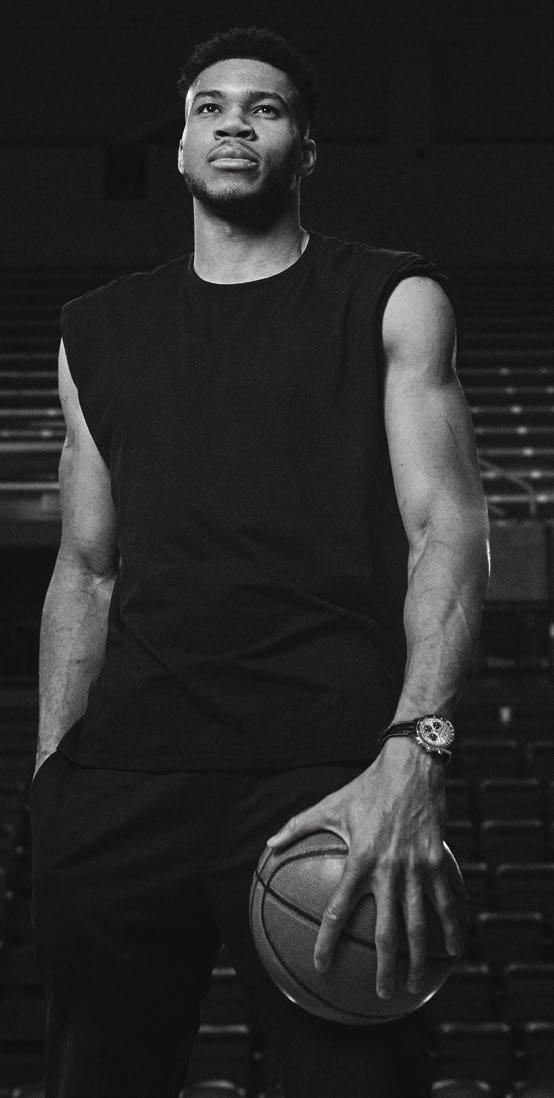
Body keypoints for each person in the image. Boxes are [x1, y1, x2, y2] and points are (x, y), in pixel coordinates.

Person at [28, 24, 490, 1098]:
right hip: (124, 779)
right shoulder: (95, 331)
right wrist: (54, 779)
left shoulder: (390, 298)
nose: (234, 124)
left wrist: (414, 753)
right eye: (211, 108)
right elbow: (86, 570)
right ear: (181, 148)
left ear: (306, 149)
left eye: (265, 108)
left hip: (328, 771)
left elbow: (448, 531)